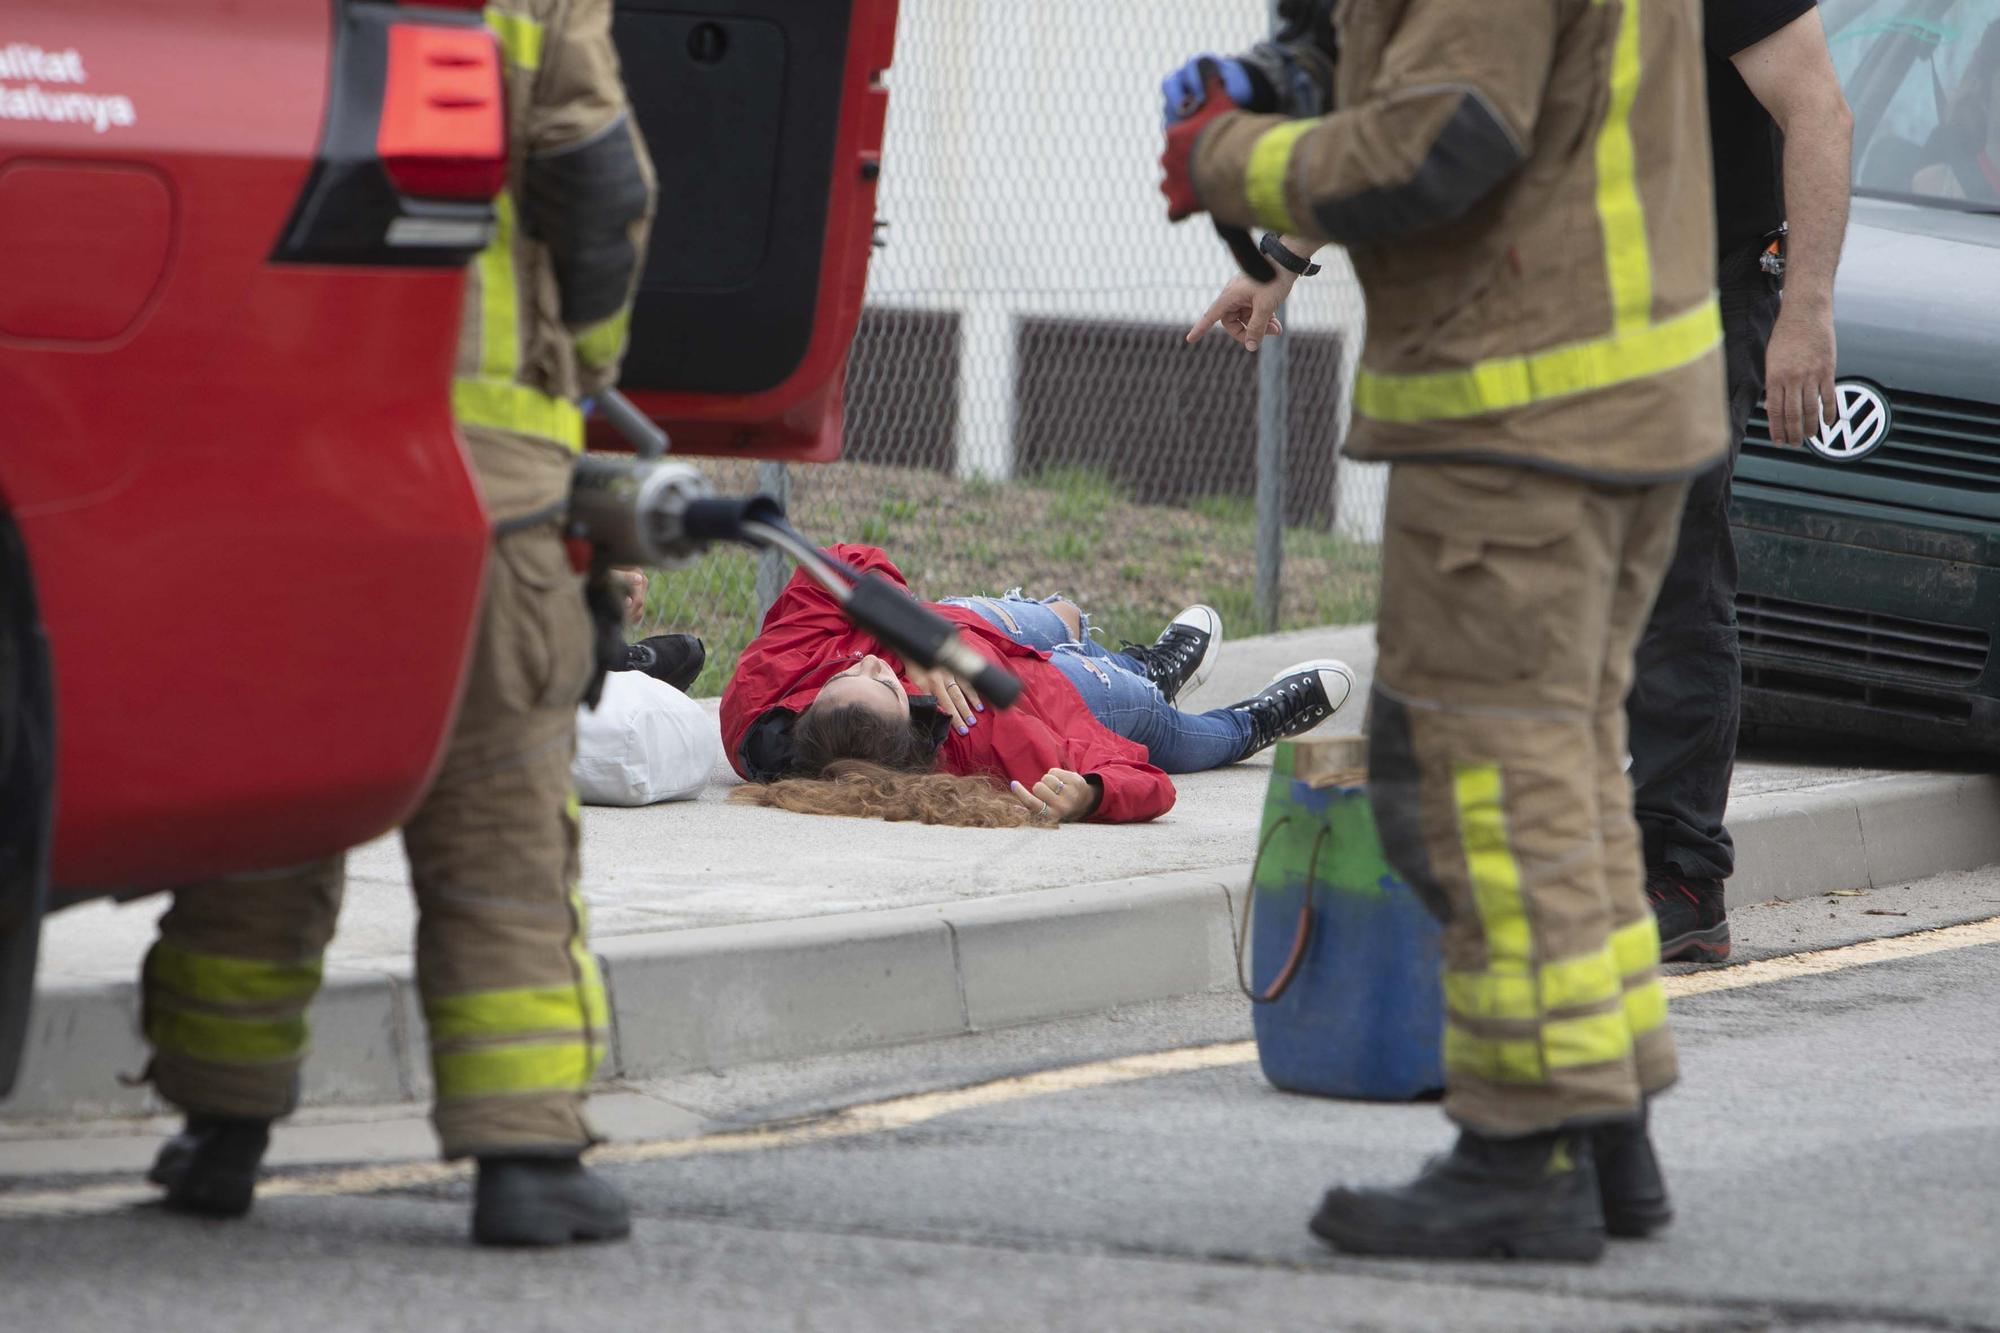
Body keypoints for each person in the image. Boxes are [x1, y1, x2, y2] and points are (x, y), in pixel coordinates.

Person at [1163, 0, 1728, 1261]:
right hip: (1614, 407)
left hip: (1517, 427)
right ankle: (1603, 1131)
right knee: (1561, 782)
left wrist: (1224, 153)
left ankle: (1519, 1154)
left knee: (1472, 793)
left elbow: (1440, 141)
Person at [139, 0, 655, 1246]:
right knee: (501, 828)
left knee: (262, 813)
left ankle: (218, 1129)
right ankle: (524, 1160)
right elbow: (595, 183)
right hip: (480, 483)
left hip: (273, 469)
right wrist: (583, 364)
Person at [1626, 2, 1853, 964]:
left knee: (1675, 575)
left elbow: (1818, 112)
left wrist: (1804, 313)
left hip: (1698, 297)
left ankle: (1678, 875)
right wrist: (1287, 255)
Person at [721, 544, 1356, 826]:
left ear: (804, 709)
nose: (874, 666)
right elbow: (1142, 779)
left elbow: (844, 562)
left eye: (851, 669)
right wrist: (1093, 795)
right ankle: (1249, 722)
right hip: (1050, 689)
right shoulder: (984, 742)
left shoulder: (761, 689)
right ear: (912, 730)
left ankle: (1148, 664)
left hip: (953, 625)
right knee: (1163, 727)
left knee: (1064, 616)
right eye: (885, 687)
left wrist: (916, 636)